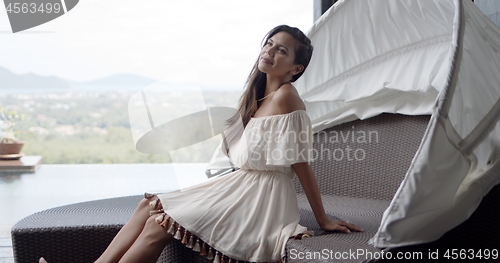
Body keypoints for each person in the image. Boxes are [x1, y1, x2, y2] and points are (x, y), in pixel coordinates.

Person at [40, 25, 363, 263]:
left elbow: (300, 162)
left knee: (157, 225)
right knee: (148, 206)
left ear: (296, 68)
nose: (270, 50)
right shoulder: (254, 99)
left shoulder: (286, 96)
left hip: (261, 197)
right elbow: (241, 154)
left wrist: (322, 219)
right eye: (269, 43)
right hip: (241, 185)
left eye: (282, 50)